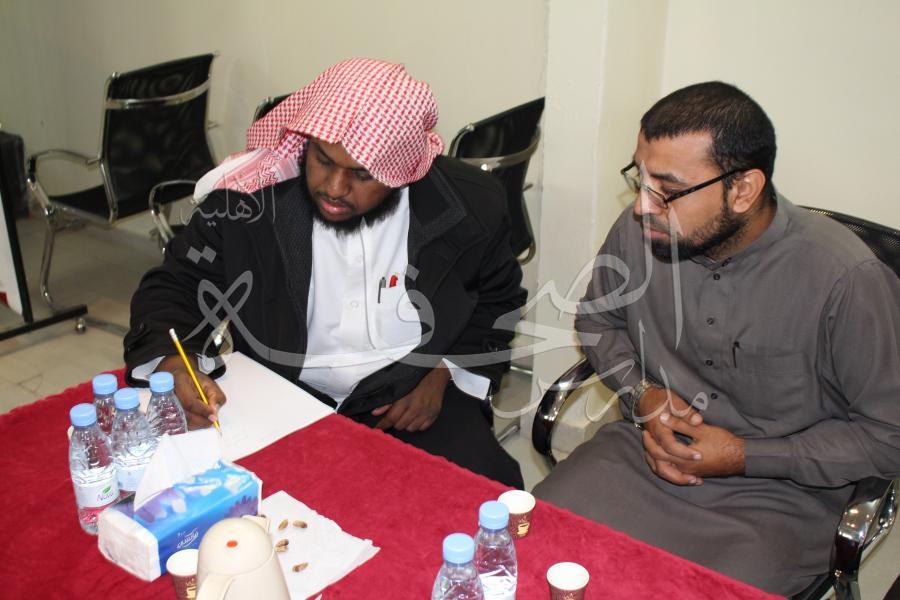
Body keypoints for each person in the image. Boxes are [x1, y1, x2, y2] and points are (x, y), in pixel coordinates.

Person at [533, 81, 900, 595]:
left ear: (743, 189)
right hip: (643, 456)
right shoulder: (642, 230)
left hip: (782, 499)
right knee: (529, 550)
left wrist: (747, 455)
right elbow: (598, 322)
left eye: (666, 188)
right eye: (638, 177)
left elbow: (888, 435)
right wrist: (645, 397)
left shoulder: (847, 279)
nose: (641, 206)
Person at [124, 59, 526, 488]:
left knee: (489, 494)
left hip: (410, 393)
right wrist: (175, 363)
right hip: (283, 391)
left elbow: (498, 298)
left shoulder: (470, 206)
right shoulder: (246, 203)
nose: (333, 188)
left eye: (361, 174)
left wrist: (445, 371)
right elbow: (177, 285)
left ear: (402, 169)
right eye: (322, 160)